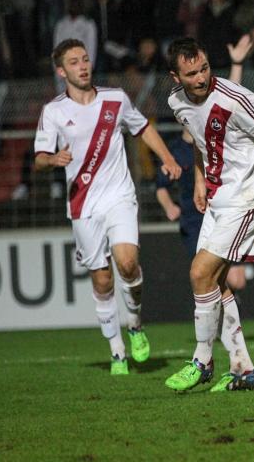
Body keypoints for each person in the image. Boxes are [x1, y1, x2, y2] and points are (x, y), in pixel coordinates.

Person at [164, 37, 254, 392]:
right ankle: (244, 369)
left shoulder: (235, 99)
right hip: (218, 196)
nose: (200, 78)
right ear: (175, 76)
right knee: (215, 282)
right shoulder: (176, 102)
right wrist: (200, 178)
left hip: (251, 196)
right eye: (191, 73)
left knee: (200, 272)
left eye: (204, 69)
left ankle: (202, 360)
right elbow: (200, 141)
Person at [33, 39, 182, 375]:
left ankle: (135, 324)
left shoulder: (115, 99)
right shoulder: (54, 112)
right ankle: (116, 351)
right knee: (102, 280)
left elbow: (142, 128)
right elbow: (39, 159)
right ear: (62, 71)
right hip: (82, 204)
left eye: (85, 59)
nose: (82, 66)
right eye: (73, 62)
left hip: (118, 197)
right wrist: (53, 158)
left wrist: (168, 158)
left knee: (128, 263)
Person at [155, 35, 253, 291]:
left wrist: (237, 64)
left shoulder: (215, 138)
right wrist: (169, 207)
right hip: (193, 219)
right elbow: (161, 185)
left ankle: (226, 310)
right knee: (207, 278)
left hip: (226, 208)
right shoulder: (176, 150)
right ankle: (222, 320)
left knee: (235, 279)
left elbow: (229, 97)